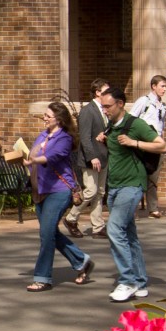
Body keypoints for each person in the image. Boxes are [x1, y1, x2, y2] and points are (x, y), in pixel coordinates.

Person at [93, 83, 164, 301]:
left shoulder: (136, 124)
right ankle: (140, 282)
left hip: (132, 185)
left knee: (114, 229)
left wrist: (134, 142)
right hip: (114, 187)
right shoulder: (112, 126)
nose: (105, 110)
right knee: (129, 235)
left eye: (108, 106)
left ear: (120, 104)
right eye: (103, 107)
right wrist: (103, 139)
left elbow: (162, 145)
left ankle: (127, 281)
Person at [24, 101, 92, 290]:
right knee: (51, 232)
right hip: (40, 190)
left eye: (48, 116)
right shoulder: (43, 135)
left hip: (59, 190)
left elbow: (53, 156)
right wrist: (25, 160)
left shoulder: (65, 138)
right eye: (44, 115)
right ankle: (82, 261)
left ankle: (42, 278)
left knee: (46, 234)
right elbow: (32, 157)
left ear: (59, 119)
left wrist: (36, 159)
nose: (44, 118)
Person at [67, 81, 109, 237]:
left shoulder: (104, 110)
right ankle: (71, 218)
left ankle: (98, 226)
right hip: (90, 159)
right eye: (106, 90)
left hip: (104, 156)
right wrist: (92, 157)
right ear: (98, 92)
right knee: (90, 191)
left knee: (100, 192)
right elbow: (84, 138)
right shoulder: (87, 111)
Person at [130, 74, 166, 216]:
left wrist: (162, 142)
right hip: (144, 145)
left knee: (153, 177)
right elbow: (131, 119)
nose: (164, 89)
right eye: (162, 86)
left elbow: (162, 127)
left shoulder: (162, 105)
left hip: (157, 146)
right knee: (138, 176)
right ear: (153, 86)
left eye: (165, 86)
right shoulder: (144, 101)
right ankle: (132, 208)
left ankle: (153, 208)